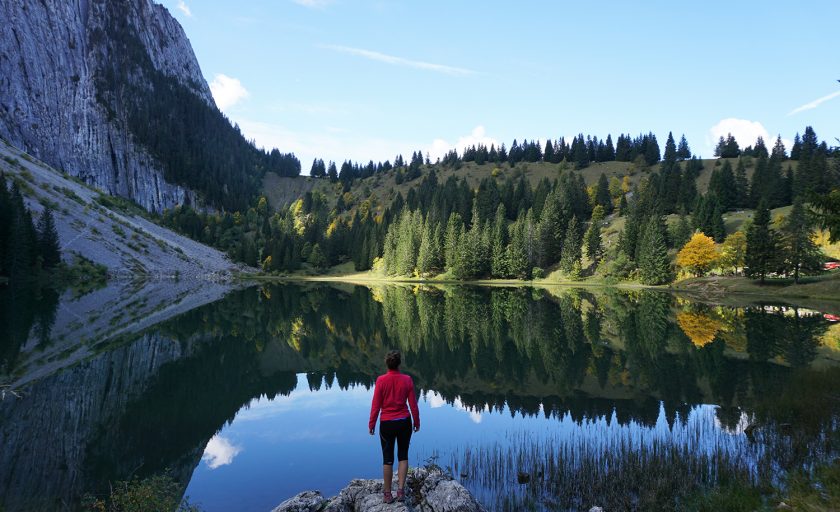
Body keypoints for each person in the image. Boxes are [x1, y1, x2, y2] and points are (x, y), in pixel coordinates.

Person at [368, 350, 420, 503]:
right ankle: (401, 491)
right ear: (399, 364)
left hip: (387, 424)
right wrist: (416, 422)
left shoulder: (381, 381)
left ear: (387, 363)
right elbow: (413, 405)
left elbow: (375, 405)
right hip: (404, 422)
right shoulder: (407, 380)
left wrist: (371, 424)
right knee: (403, 456)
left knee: (387, 459)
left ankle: (387, 494)